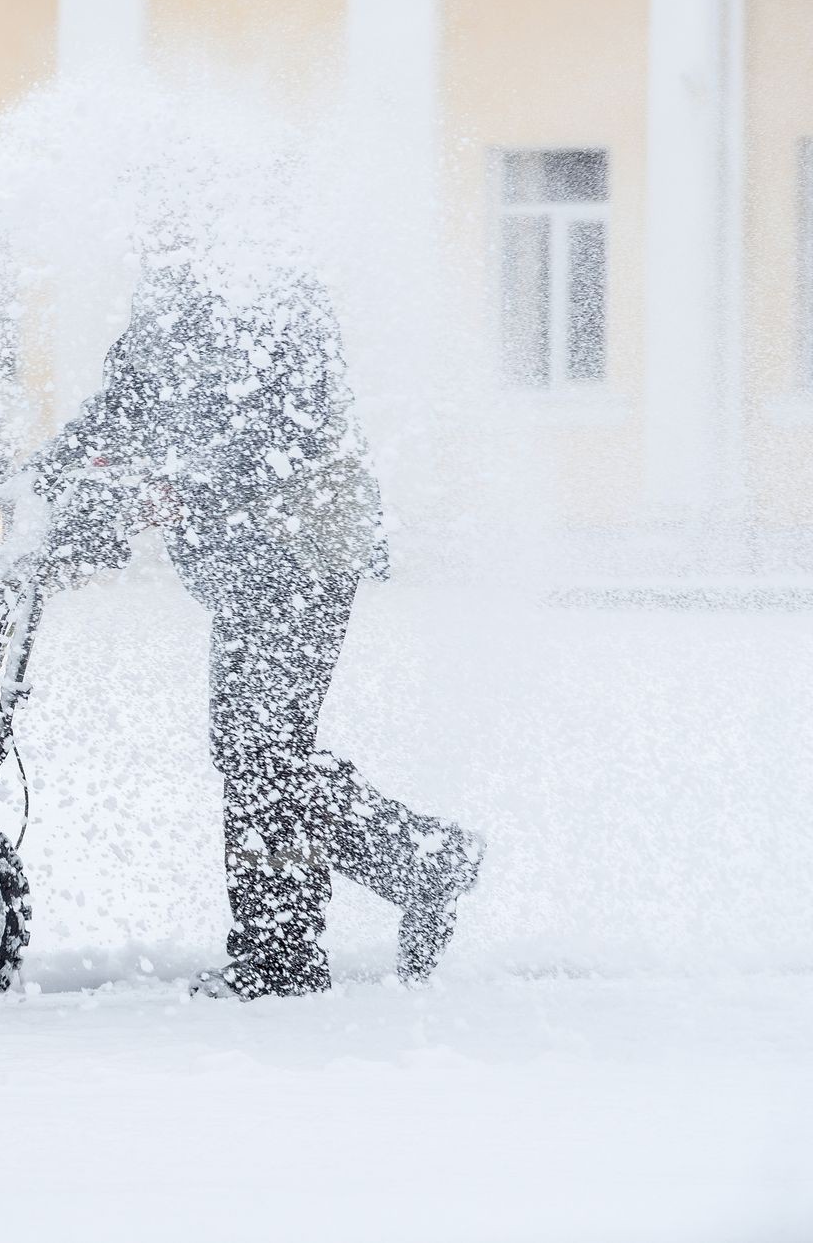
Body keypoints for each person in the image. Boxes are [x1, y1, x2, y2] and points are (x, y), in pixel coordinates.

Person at [26, 256, 485, 999]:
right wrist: (28, 488)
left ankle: (373, 895)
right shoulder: (169, 296)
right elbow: (120, 411)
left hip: (303, 548)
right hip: (245, 565)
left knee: (260, 753)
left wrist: (167, 475)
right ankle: (310, 936)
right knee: (257, 754)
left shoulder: (276, 284)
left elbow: (273, 420)